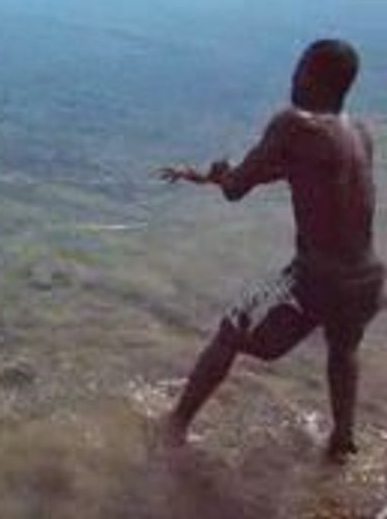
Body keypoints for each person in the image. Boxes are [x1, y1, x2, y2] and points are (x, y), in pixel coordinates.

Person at [158, 39, 383, 462]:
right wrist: (205, 177)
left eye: (300, 70)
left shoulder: (293, 124)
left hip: (319, 277)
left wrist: (223, 177)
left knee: (230, 331)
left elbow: (238, 188)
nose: (292, 79)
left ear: (318, 80)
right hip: (368, 280)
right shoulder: (360, 133)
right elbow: (291, 171)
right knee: (343, 351)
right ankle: (342, 441)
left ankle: (173, 428)